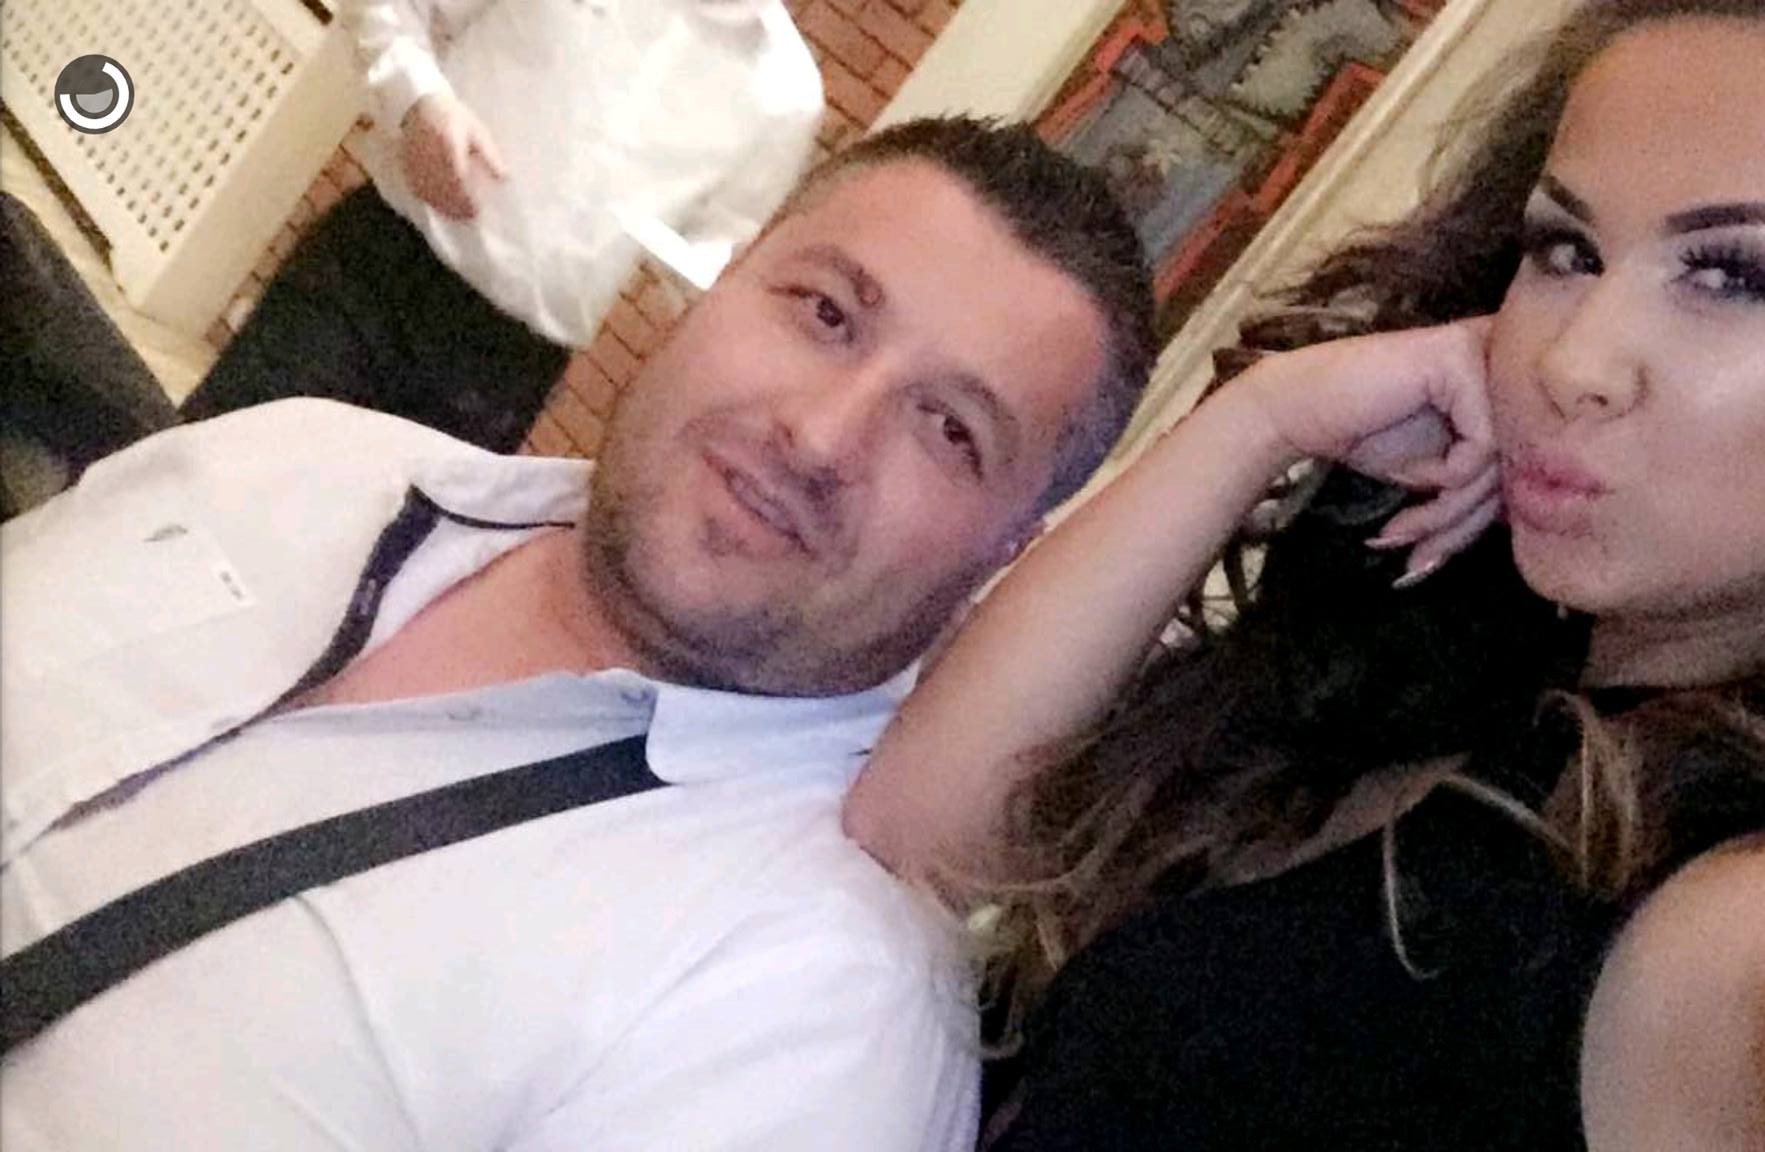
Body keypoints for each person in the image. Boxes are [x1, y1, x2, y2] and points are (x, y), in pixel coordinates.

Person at [845, 2, 1765, 1147]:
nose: (1571, 362)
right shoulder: (1441, 690)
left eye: (1733, 275)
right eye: (1566, 250)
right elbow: (915, 842)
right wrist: (1263, 420)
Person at [0, 117, 1157, 1151]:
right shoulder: (297, 459)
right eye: (824, 313)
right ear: (720, 280)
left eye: (948, 430)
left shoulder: (803, 1023)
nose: (818, 437)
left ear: (1008, 546)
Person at [177, 0, 825, 451]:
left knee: (353, 574)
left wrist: (703, 286)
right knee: (201, 474)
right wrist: (420, 102)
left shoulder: (786, 96)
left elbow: (720, 250)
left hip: (504, 369)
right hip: (380, 272)